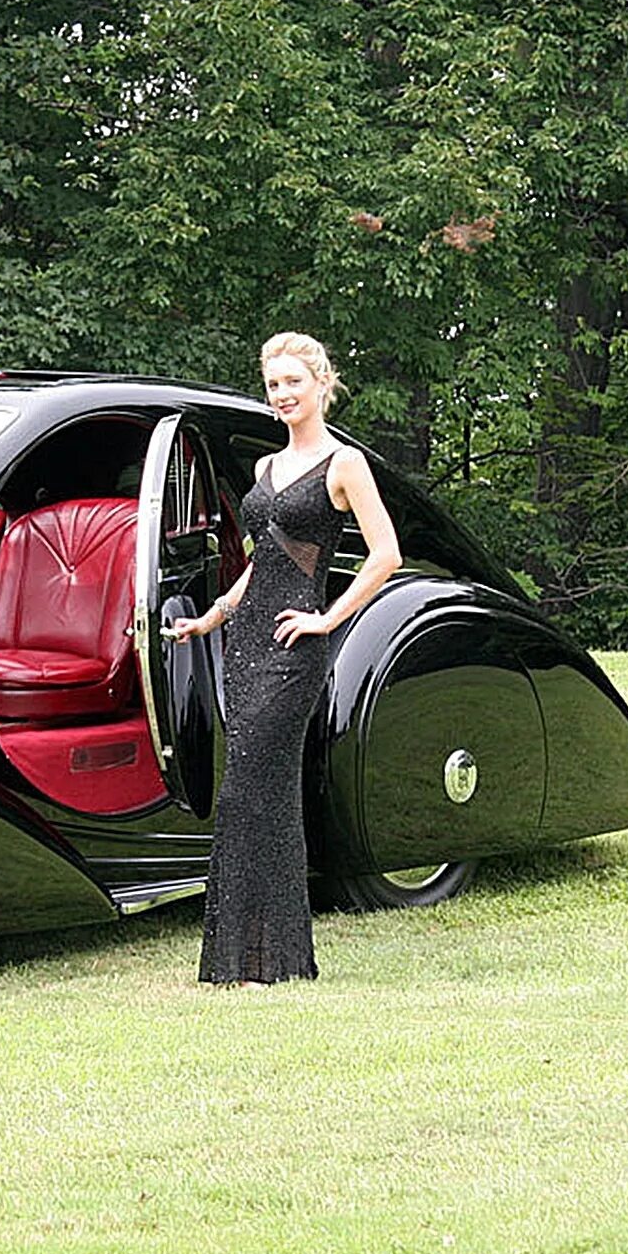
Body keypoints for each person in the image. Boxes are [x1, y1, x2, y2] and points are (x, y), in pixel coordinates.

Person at [169, 333, 403, 985]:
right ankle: (272, 961)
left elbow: (386, 555)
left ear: (321, 385)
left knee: (248, 791)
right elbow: (261, 564)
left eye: (294, 382)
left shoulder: (344, 464)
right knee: (264, 797)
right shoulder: (264, 470)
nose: (283, 395)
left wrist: (328, 617)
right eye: (274, 385)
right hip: (246, 643)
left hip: (296, 645)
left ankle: (249, 962)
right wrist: (212, 617)